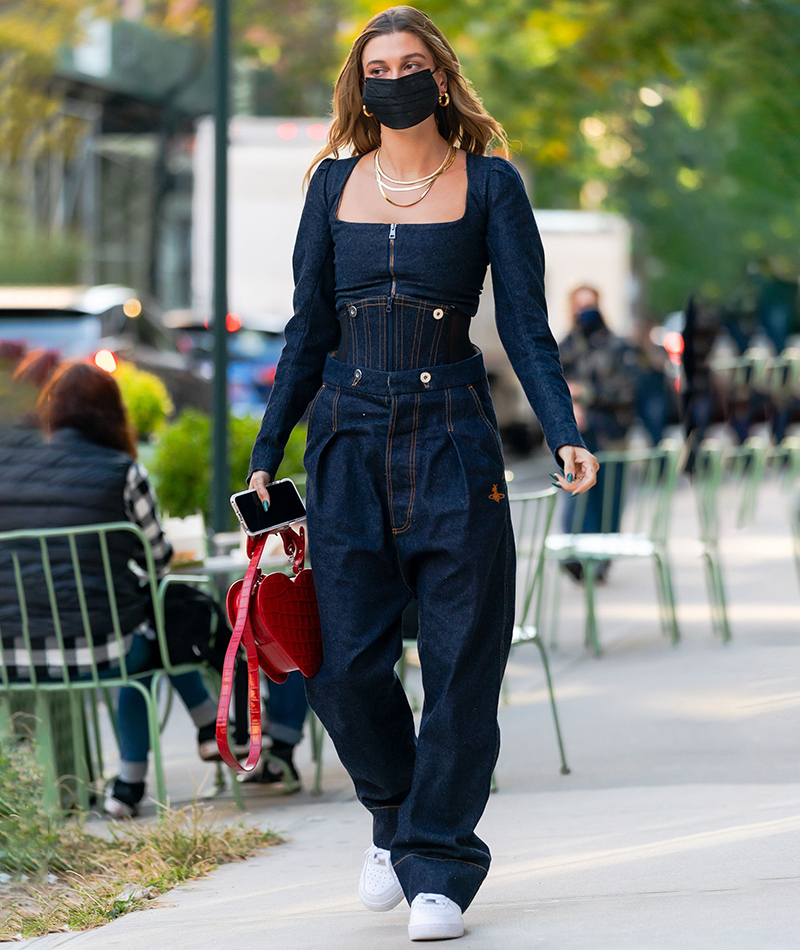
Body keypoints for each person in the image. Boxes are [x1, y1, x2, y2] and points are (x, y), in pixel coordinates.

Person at [246, 8, 598, 943]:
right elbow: (306, 331)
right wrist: (266, 448)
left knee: (461, 656)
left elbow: (526, 323)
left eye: (409, 64)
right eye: (376, 68)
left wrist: (562, 430)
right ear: (359, 86)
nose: (391, 78)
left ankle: (439, 862)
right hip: (346, 436)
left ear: (439, 77)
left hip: (452, 432)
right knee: (344, 660)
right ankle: (395, 817)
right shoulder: (329, 187)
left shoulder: (490, 185)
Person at [0, 361, 226, 818]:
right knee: (155, 627)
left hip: (13, 653)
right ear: (111, 415)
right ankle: (189, 741)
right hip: (105, 649)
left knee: (148, 624)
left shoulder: (8, 472)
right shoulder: (122, 472)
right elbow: (158, 559)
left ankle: (132, 783)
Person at [558, 285, 639, 582]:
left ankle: (602, 559)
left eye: (589, 304)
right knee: (576, 496)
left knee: (609, 498)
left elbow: (626, 390)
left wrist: (585, 394)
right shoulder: (565, 346)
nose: (585, 311)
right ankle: (575, 555)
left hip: (612, 434)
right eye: (579, 305)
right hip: (578, 437)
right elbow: (554, 387)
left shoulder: (618, 346)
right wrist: (569, 407)